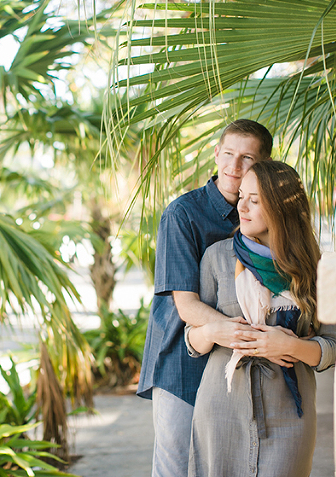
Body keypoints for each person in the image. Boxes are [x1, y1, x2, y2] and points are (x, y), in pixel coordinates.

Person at [185, 161, 336, 477]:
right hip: (220, 408)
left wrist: (288, 345)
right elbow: (192, 341)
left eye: (254, 200)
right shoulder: (217, 257)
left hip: (289, 417)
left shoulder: (316, 269)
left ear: (282, 208)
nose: (241, 206)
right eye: (241, 195)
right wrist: (215, 330)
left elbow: (334, 348)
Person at [138, 120, 273, 477]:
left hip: (233, 367)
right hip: (180, 365)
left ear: (262, 165)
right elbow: (186, 306)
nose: (234, 166)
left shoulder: (265, 216)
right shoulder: (182, 215)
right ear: (216, 154)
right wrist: (244, 335)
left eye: (247, 158)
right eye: (228, 154)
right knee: (176, 469)